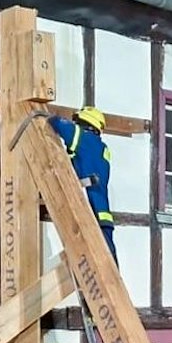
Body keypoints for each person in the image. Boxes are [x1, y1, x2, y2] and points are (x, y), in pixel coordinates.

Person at [49, 106, 115, 261]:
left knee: (100, 266)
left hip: (90, 212)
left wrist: (46, 118)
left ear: (84, 122)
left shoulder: (83, 138)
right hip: (103, 216)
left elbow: (59, 124)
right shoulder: (102, 148)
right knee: (110, 264)